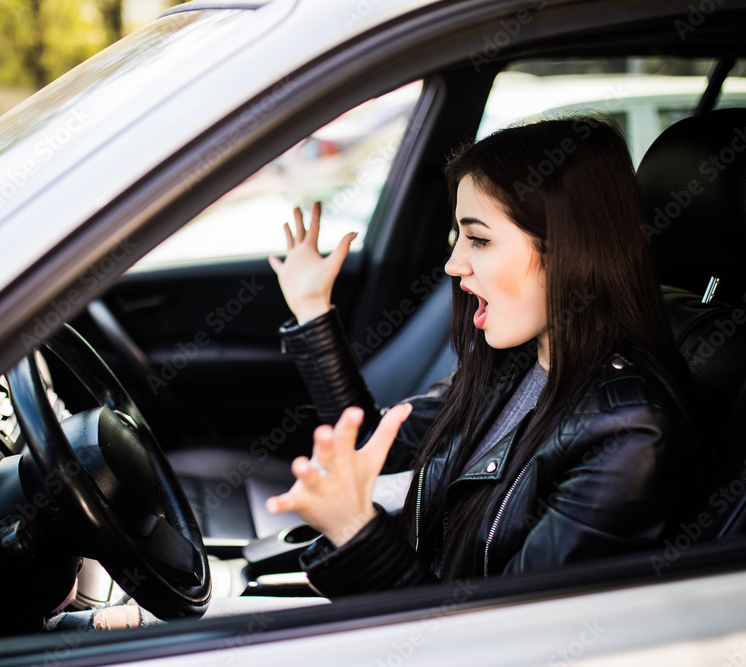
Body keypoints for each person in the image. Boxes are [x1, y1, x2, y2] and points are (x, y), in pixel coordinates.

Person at [264, 117, 698, 596]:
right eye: (458, 238)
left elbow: (502, 642)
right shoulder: (513, 364)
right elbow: (376, 446)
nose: (454, 265)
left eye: (480, 239)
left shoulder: (629, 432)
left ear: (569, 249)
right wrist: (312, 312)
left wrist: (357, 534)